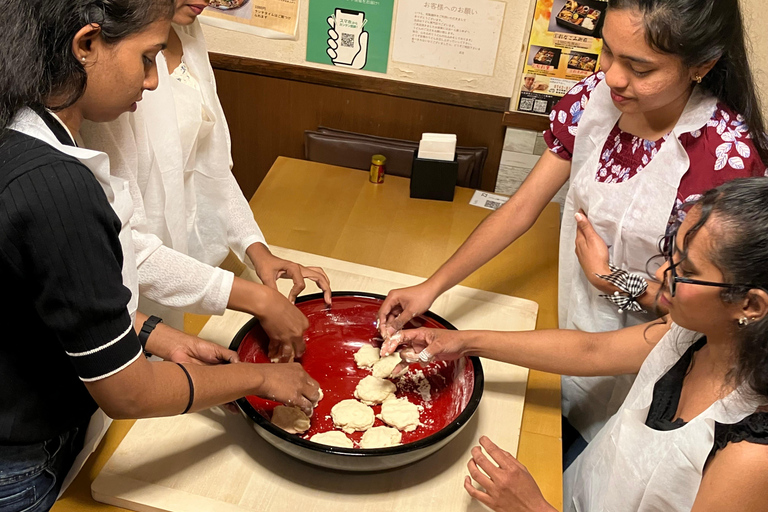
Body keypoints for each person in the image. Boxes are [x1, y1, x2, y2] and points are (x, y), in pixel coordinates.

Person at [377, 0, 768, 447]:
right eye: (608, 51)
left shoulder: (726, 157)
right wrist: (432, 287)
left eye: (640, 68)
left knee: (603, 442)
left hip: (652, 348)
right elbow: (522, 208)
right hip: (573, 316)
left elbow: (710, 313)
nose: (615, 77)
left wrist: (611, 279)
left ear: (702, 65)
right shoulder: (595, 96)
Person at [0, 2, 318, 510]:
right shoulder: (56, 186)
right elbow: (129, 393)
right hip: (23, 461)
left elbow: (65, 297)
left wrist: (157, 335)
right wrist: (259, 376)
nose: (152, 82)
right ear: (86, 45)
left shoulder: (27, 132)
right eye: (146, 58)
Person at [384, 177, 768, 512]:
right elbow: (592, 351)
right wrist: (462, 342)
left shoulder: (753, 458)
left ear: (750, 304)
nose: (662, 274)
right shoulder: (690, 334)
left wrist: (533, 509)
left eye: (686, 271)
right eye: (672, 254)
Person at [81, 0, 331, 363]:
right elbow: (123, 240)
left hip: (177, 277)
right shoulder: (109, 73)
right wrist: (253, 297)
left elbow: (208, 165)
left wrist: (256, 249)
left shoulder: (184, 30)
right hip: (119, 297)